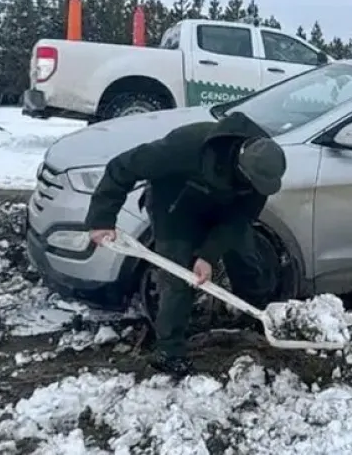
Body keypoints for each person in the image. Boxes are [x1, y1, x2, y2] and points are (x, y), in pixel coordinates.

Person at [85, 112, 287, 376]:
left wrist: (208, 255)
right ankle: (170, 351)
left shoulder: (262, 174)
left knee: (248, 261)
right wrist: (101, 218)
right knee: (177, 277)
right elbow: (122, 167)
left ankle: (255, 320)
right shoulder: (186, 147)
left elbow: (240, 220)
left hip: (223, 212)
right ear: (241, 166)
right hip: (174, 209)